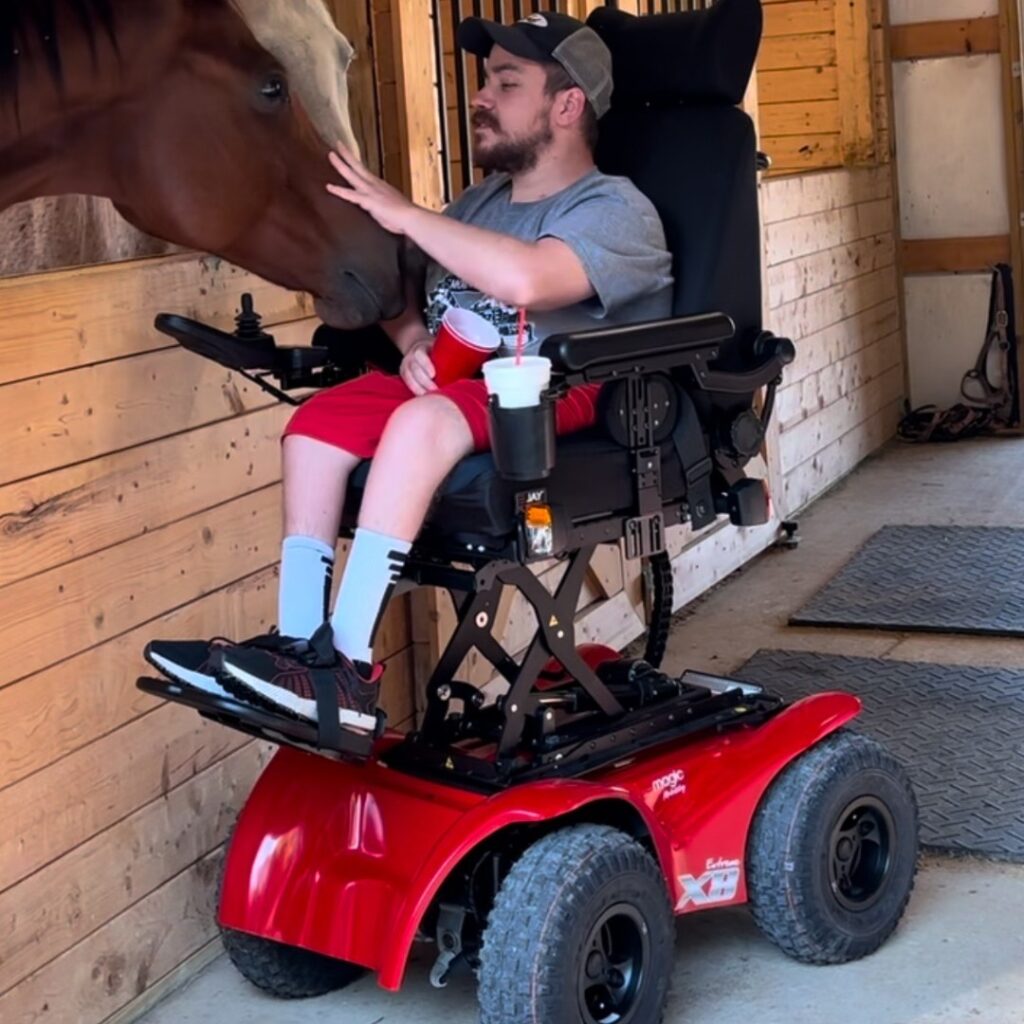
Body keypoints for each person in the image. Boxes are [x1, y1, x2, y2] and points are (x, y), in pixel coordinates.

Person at [148, 11, 673, 737]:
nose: (482, 96)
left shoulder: (614, 208)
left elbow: (527, 281)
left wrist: (405, 213)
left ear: (568, 105)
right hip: (452, 382)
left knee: (418, 422)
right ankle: (298, 648)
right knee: (315, 427)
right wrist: (413, 340)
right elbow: (406, 298)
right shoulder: (476, 206)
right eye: (486, 79)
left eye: (506, 82)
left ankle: (347, 667)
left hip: (549, 391)